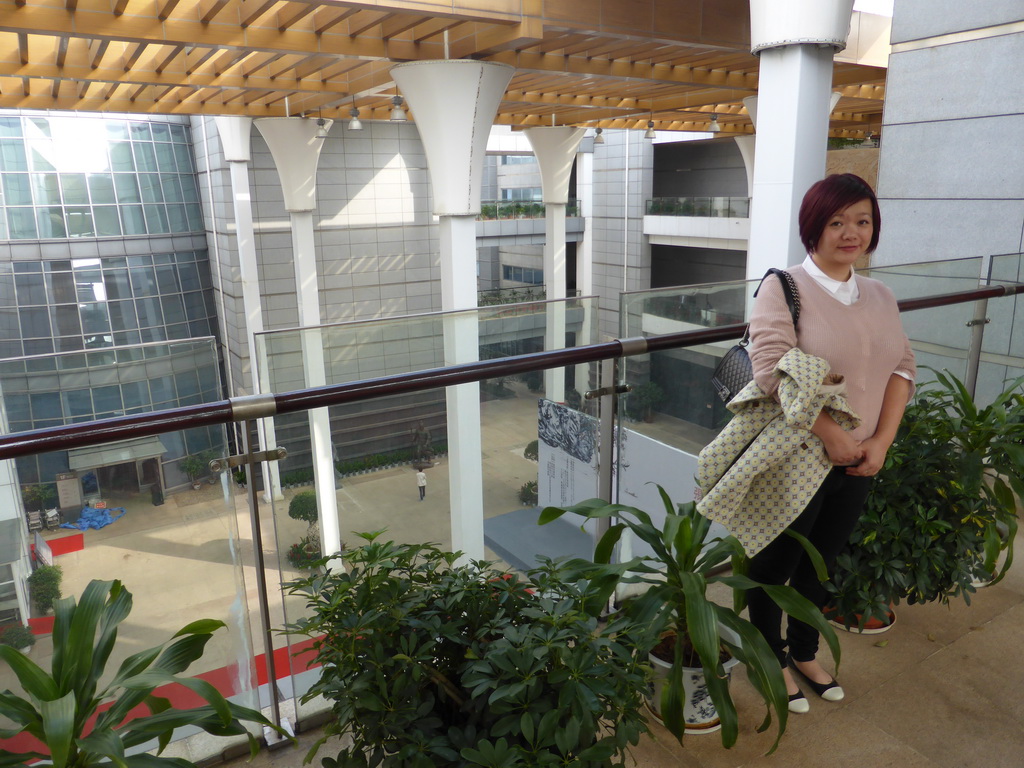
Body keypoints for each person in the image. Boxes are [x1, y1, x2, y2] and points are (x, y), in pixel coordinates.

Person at [746, 173, 916, 714]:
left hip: (860, 459)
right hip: (797, 458)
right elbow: (771, 371)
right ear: (813, 227)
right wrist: (833, 435)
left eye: (862, 221)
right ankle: (767, 657)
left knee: (822, 563)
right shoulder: (785, 287)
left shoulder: (881, 295)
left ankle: (804, 651)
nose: (851, 232)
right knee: (775, 565)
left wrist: (881, 441)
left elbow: (902, 369)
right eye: (837, 221)